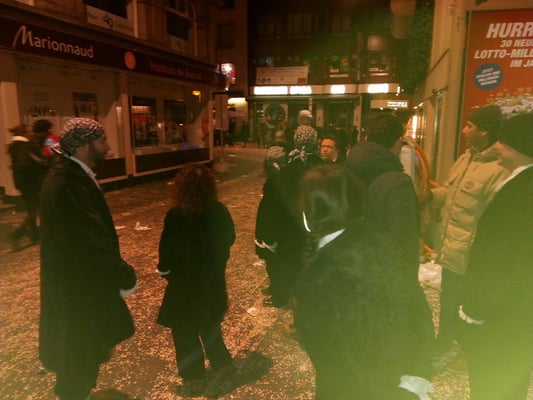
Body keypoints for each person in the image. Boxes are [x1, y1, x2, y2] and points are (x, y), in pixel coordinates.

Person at [292, 164, 434, 400]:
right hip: (402, 379)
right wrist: (417, 375)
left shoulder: (317, 276)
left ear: (309, 213)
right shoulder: (388, 246)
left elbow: (333, 361)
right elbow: (419, 313)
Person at [39, 118, 137, 400]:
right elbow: (90, 238)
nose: (108, 147)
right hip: (77, 286)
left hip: (78, 282)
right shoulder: (68, 183)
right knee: (78, 345)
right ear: (84, 146)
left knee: (83, 345)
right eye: (102, 141)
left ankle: (77, 391)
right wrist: (122, 273)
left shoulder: (71, 175)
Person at [456, 113, 533, 400]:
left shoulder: (520, 191)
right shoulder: (521, 182)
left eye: (503, 142)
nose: (497, 146)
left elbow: (502, 258)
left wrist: (475, 310)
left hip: (502, 312)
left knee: (492, 379)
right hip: (517, 309)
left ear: (520, 147)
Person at [426, 104, 508, 356]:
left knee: (469, 304)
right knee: (449, 298)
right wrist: (429, 196)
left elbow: (495, 219)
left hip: (472, 254)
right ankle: (444, 341)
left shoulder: (499, 169)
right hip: (452, 247)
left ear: (485, 131)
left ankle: (468, 349)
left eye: (470, 126)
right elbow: (450, 192)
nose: (464, 130)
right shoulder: (466, 158)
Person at [157, 164, 235, 384]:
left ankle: (193, 374)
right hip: (211, 281)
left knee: (185, 331)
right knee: (210, 324)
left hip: (184, 284)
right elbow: (229, 238)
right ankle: (221, 361)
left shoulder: (176, 215)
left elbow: (167, 248)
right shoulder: (219, 211)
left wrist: (166, 270)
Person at [255, 125, 324, 307]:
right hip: (319, 226)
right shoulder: (326, 168)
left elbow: (279, 205)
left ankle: (287, 296)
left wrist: (270, 233)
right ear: (315, 142)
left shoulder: (287, 170)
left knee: (289, 263)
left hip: (290, 228)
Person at [345, 113, 420, 277]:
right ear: (398, 141)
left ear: (367, 137)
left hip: (351, 263)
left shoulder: (347, 169)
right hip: (383, 271)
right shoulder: (398, 183)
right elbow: (405, 238)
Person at [7, 123, 47, 251]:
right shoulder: (24, 145)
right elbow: (25, 163)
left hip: (22, 182)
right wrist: (39, 165)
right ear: (24, 133)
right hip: (31, 182)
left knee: (31, 207)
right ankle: (16, 235)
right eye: (28, 131)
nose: (30, 133)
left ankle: (35, 234)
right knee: (34, 209)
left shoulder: (14, 145)